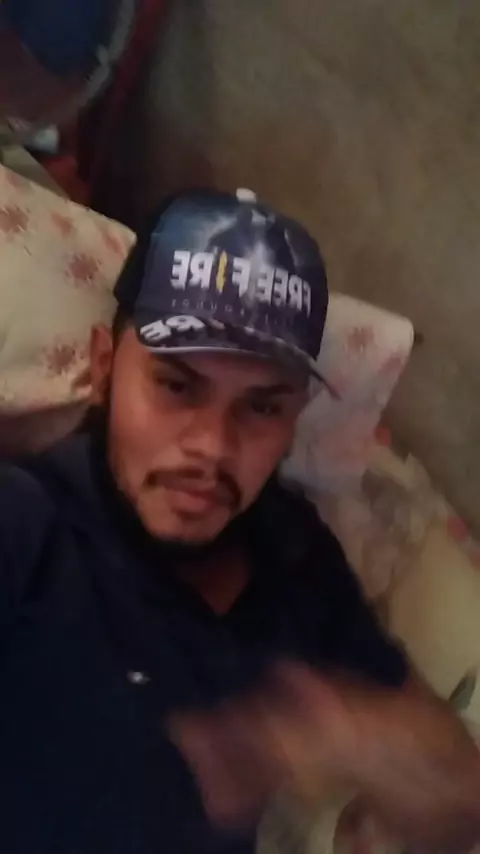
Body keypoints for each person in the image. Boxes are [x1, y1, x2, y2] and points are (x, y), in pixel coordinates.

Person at [0, 188, 478, 854]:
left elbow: (461, 787)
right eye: (177, 386)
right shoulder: (29, 523)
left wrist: (345, 737)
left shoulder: (295, 553)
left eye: (261, 407)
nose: (213, 446)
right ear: (104, 370)